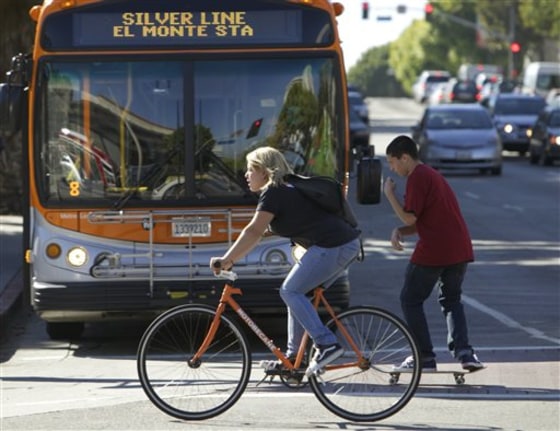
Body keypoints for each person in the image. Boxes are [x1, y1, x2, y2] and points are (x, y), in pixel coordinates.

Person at [209, 146, 361, 377]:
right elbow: (259, 233)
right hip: (341, 245)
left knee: (290, 291)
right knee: (299, 295)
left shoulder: (274, 191)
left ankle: (326, 344)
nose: (246, 175)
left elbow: (254, 231)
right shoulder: (285, 189)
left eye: (250, 169)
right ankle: (294, 360)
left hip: (334, 245)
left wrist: (228, 259)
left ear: (264, 171)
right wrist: (235, 250)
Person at [383, 135, 484, 372]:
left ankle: (424, 357)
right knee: (451, 300)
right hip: (459, 248)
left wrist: (389, 194)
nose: (392, 168)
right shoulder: (430, 175)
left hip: (436, 249)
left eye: (392, 162)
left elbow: (409, 216)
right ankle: (465, 353)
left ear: (405, 157)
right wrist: (401, 231)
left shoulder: (417, 177)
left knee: (410, 299)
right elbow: (422, 220)